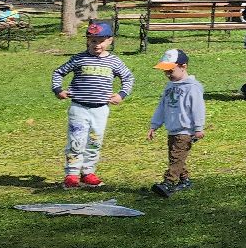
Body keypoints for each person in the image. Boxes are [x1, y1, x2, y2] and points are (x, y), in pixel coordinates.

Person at [50, 22, 134, 189]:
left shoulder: (114, 62)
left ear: (110, 40)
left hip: (100, 109)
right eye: (93, 41)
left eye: (101, 41)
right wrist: (58, 89)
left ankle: (88, 172)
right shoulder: (79, 59)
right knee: (76, 140)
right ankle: (72, 174)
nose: (97, 45)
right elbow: (58, 72)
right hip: (79, 107)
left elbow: (128, 78)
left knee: (95, 141)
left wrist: (121, 94)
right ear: (88, 40)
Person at [147, 49, 205, 197]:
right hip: (172, 129)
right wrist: (155, 125)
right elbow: (162, 106)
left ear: (183, 66)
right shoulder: (169, 87)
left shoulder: (192, 87)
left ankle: (168, 182)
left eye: (170, 70)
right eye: (165, 71)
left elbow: (198, 108)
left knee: (176, 156)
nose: (167, 75)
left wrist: (198, 128)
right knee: (176, 157)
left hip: (185, 130)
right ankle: (184, 179)